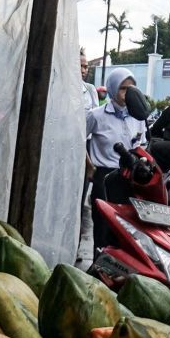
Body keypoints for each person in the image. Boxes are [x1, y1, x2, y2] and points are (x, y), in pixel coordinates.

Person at [85, 67, 148, 255]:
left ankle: (121, 271)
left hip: (129, 176)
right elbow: (78, 138)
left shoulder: (138, 117)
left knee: (126, 226)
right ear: (113, 89)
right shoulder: (96, 115)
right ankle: (99, 267)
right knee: (103, 225)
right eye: (123, 88)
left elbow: (142, 144)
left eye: (132, 89)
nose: (128, 93)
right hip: (104, 176)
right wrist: (89, 167)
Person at [76, 48, 100, 266]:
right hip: (67, 146)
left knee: (79, 201)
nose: (84, 70)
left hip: (86, 148)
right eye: (81, 65)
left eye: (86, 66)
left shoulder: (90, 90)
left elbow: (93, 122)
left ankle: (74, 245)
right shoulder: (61, 87)